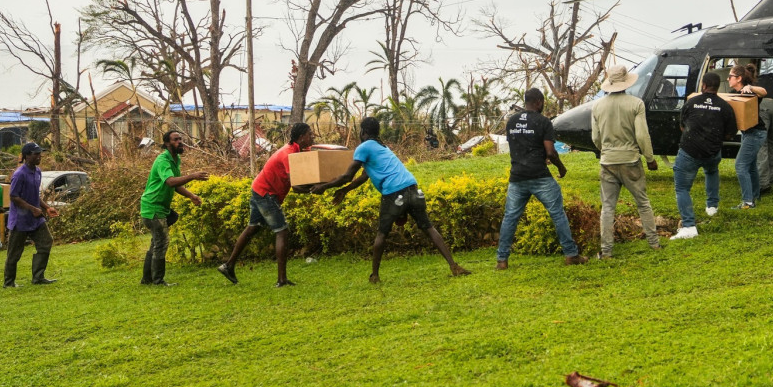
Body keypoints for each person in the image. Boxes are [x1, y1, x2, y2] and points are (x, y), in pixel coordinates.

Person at [312, 117, 470, 284]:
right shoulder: (383, 147)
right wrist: (344, 191)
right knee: (429, 228)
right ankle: (453, 266)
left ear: (363, 132)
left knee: (382, 234)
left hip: (394, 193)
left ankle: (375, 275)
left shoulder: (363, 148)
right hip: (412, 188)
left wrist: (325, 186)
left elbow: (348, 176)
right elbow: (364, 177)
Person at [496, 88, 586, 269]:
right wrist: (561, 167)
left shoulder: (512, 121)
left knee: (510, 218)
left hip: (517, 176)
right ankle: (571, 255)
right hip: (539, 176)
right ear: (538, 102)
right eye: (542, 102)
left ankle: (502, 260)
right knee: (557, 214)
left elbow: (518, 145)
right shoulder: (544, 122)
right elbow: (551, 152)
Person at [218, 124, 313, 287]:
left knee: (252, 227)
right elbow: (296, 185)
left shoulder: (296, 150)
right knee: (282, 231)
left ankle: (228, 266)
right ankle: (281, 280)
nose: (312, 137)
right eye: (310, 135)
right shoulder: (288, 154)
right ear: (301, 137)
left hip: (259, 189)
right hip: (266, 193)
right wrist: (317, 189)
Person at [590, 65, 663, 259]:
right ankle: (654, 243)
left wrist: (605, 150)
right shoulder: (636, 104)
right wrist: (650, 158)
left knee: (607, 208)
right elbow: (642, 135)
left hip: (608, 161)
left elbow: (595, 137)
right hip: (630, 160)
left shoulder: (597, 106)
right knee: (643, 203)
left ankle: (606, 251)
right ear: (626, 82)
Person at [670, 73, 737, 240]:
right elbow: (730, 134)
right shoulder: (725, 106)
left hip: (689, 152)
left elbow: (682, 126)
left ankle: (689, 226)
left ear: (704, 85)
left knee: (682, 188)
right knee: (712, 171)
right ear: (717, 86)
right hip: (713, 152)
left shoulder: (691, 103)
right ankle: (712, 206)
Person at [140, 130, 207, 286]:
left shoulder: (175, 159)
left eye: (180, 139)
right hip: (153, 207)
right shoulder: (163, 160)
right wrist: (193, 175)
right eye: (176, 140)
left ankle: (147, 279)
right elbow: (170, 181)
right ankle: (157, 280)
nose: (180, 142)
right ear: (167, 143)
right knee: (161, 242)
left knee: (156, 242)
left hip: (159, 207)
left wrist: (191, 196)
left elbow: (176, 185)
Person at [2, 142, 58, 287]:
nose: (39, 156)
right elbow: (14, 196)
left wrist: (46, 207)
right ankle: (8, 283)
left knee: (46, 242)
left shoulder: (38, 172)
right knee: (14, 253)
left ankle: (38, 277)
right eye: (36, 154)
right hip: (20, 220)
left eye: (40, 153)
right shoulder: (19, 174)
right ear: (27, 156)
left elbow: (34, 195)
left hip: (36, 219)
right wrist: (32, 209)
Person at [727, 64, 767, 209]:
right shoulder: (733, 92)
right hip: (748, 133)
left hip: (755, 133)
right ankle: (755, 195)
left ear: (739, 78)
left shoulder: (750, 92)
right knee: (750, 166)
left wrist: (750, 87)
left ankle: (748, 202)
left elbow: (764, 91)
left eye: (730, 76)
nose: (728, 79)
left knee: (740, 165)